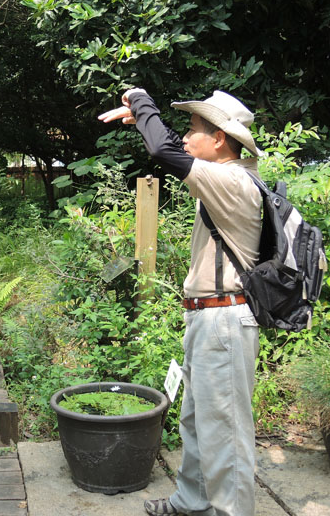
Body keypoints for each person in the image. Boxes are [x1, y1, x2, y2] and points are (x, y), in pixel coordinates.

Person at [99, 89, 262, 516]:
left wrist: (140, 99)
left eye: (193, 130)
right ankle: (191, 502)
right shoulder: (222, 175)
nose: (186, 137)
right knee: (196, 420)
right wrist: (143, 119)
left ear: (220, 139)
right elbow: (169, 145)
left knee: (225, 431)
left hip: (224, 319)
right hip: (210, 319)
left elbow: (163, 150)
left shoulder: (231, 180)